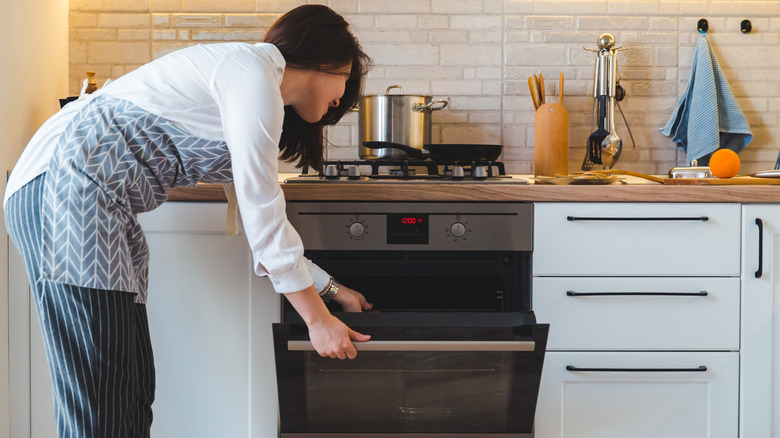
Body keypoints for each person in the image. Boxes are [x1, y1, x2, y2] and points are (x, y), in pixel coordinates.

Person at [4, 5, 372, 437]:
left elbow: (262, 231)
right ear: (330, 64)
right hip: (65, 193)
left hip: (92, 204)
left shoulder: (252, 88)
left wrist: (331, 291)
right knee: (101, 401)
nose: (342, 101)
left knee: (130, 393)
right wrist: (317, 320)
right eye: (346, 83)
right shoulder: (251, 76)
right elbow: (264, 216)